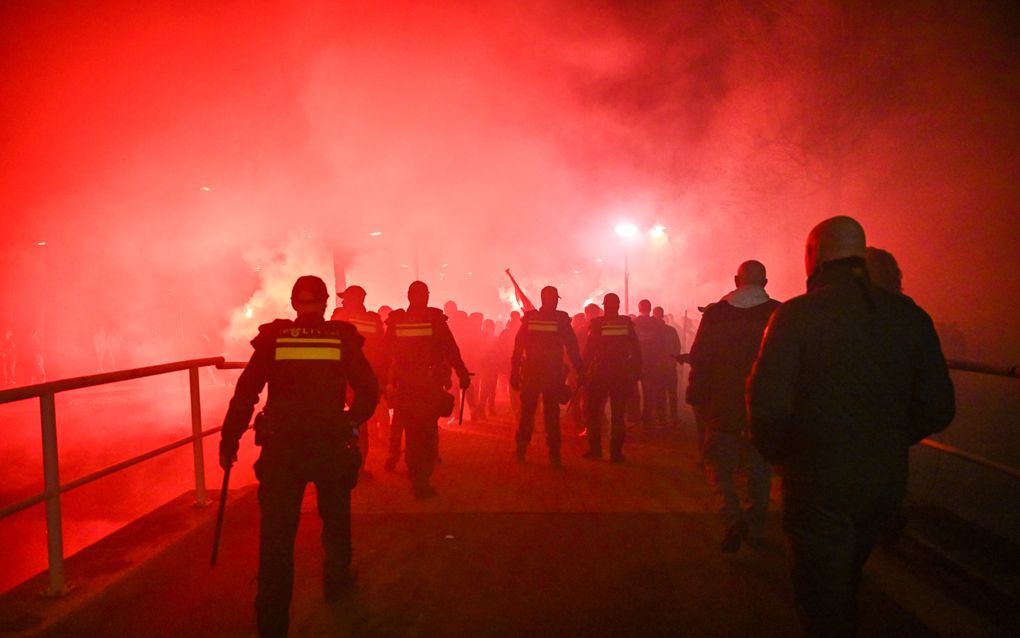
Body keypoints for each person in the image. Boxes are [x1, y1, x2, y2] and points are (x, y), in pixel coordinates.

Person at [748, 216, 955, 637]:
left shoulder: (797, 316)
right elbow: (938, 406)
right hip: (883, 479)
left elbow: (767, 407)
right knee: (848, 577)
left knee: (820, 596)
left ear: (813, 255)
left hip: (817, 480)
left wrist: (786, 458)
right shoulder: (908, 316)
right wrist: (889, 439)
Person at [218, 275, 378, 638]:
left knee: (276, 537)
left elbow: (246, 392)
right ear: (324, 304)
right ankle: (336, 581)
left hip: (283, 450)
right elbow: (369, 389)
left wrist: (230, 438)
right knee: (336, 517)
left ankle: (272, 622)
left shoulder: (274, 339)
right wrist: (351, 423)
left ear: (293, 303)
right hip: (329, 446)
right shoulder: (342, 338)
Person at [686, 260, 781, 552]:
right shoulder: (778, 313)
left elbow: (700, 357)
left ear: (735, 280)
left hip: (722, 402)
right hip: (764, 403)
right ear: (765, 282)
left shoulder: (716, 313)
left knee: (718, 463)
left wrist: (696, 394)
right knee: (759, 467)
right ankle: (755, 525)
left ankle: (730, 517)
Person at [380, 281, 471, 498]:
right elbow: (451, 349)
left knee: (412, 433)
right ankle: (421, 480)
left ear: (409, 295)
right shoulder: (435, 319)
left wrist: (384, 382)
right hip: (428, 385)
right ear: (425, 296)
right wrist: (462, 373)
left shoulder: (397, 320)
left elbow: (385, 354)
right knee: (427, 432)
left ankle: (417, 476)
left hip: (406, 386)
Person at [510, 285, 584, 466]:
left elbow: (518, 346)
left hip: (532, 373)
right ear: (555, 299)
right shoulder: (561, 320)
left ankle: (521, 450)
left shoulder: (529, 319)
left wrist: (513, 371)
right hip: (552, 374)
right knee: (552, 415)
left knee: (527, 414)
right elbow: (572, 348)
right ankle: (554, 456)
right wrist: (580, 370)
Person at [331, 285, 387, 478]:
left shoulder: (341, 317)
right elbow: (382, 350)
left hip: (342, 378)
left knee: (337, 420)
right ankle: (359, 466)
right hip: (365, 378)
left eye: (346, 298)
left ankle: (339, 463)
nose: (343, 301)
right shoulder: (374, 320)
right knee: (359, 423)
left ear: (354, 299)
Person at [583, 293, 641, 462]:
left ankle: (595, 450)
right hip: (620, 373)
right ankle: (616, 453)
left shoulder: (597, 324)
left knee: (593, 412)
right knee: (618, 414)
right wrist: (636, 372)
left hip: (600, 372)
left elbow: (589, 350)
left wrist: (582, 371)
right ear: (618, 305)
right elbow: (636, 350)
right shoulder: (626, 324)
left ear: (605, 306)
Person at [653, 307, 682, 426]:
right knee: (672, 393)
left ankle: (662, 419)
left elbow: (651, 350)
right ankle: (674, 418)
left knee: (660, 393)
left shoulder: (653, 332)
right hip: (670, 365)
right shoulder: (671, 330)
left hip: (658, 366)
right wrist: (673, 360)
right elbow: (677, 347)